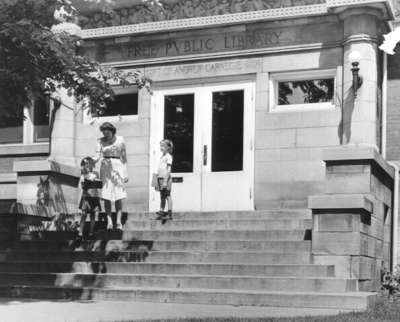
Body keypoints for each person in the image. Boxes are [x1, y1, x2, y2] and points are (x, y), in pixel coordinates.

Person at [94, 122, 128, 231]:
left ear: (112, 131)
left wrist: (125, 173)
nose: (105, 134)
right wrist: (89, 161)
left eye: (107, 132)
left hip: (118, 167)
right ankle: (109, 221)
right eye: (103, 132)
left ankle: (118, 221)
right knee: (106, 195)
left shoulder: (121, 140)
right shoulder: (100, 141)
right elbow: (96, 156)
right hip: (105, 167)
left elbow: (124, 158)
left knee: (118, 195)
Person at [77, 157, 102, 238]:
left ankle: (91, 232)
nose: (87, 166)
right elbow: (80, 187)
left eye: (89, 164)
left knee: (92, 215)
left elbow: (99, 184)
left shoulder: (96, 173)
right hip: (86, 196)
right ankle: (80, 233)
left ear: (92, 165)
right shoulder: (83, 174)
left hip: (94, 196)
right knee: (84, 214)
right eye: (85, 164)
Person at [156, 139, 173, 220]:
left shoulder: (168, 157)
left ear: (167, 147)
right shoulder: (162, 156)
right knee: (162, 196)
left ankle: (169, 212)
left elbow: (168, 169)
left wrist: (166, 181)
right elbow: (160, 168)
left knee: (167, 195)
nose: (161, 147)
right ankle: (161, 211)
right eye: (161, 146)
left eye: (163, 146)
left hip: (166, 179)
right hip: (160, 178)